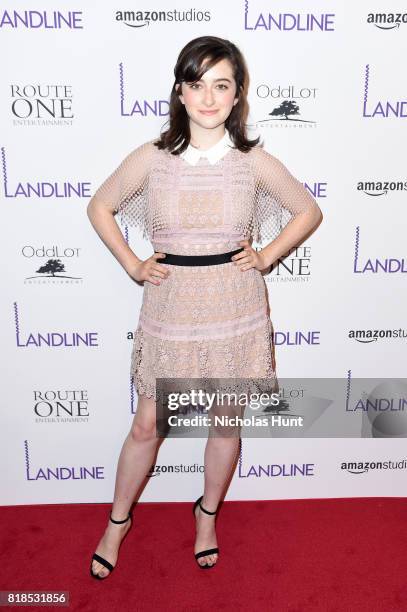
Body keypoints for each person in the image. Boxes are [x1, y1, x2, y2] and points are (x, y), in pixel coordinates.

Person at [87, 35, 323, 578]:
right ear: (181, 91)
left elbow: (307, 211)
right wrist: (131, 263)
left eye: (222, 85)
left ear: (238, 94)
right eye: (198, 85)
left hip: (235, 306)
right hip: (169, 308)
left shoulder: (252, 161)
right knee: (148, 423)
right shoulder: (152, 158)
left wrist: (266, 256)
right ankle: (117, 522)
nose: (209, 98)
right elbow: (101, 205)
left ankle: (207, 515)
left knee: (225, 420)